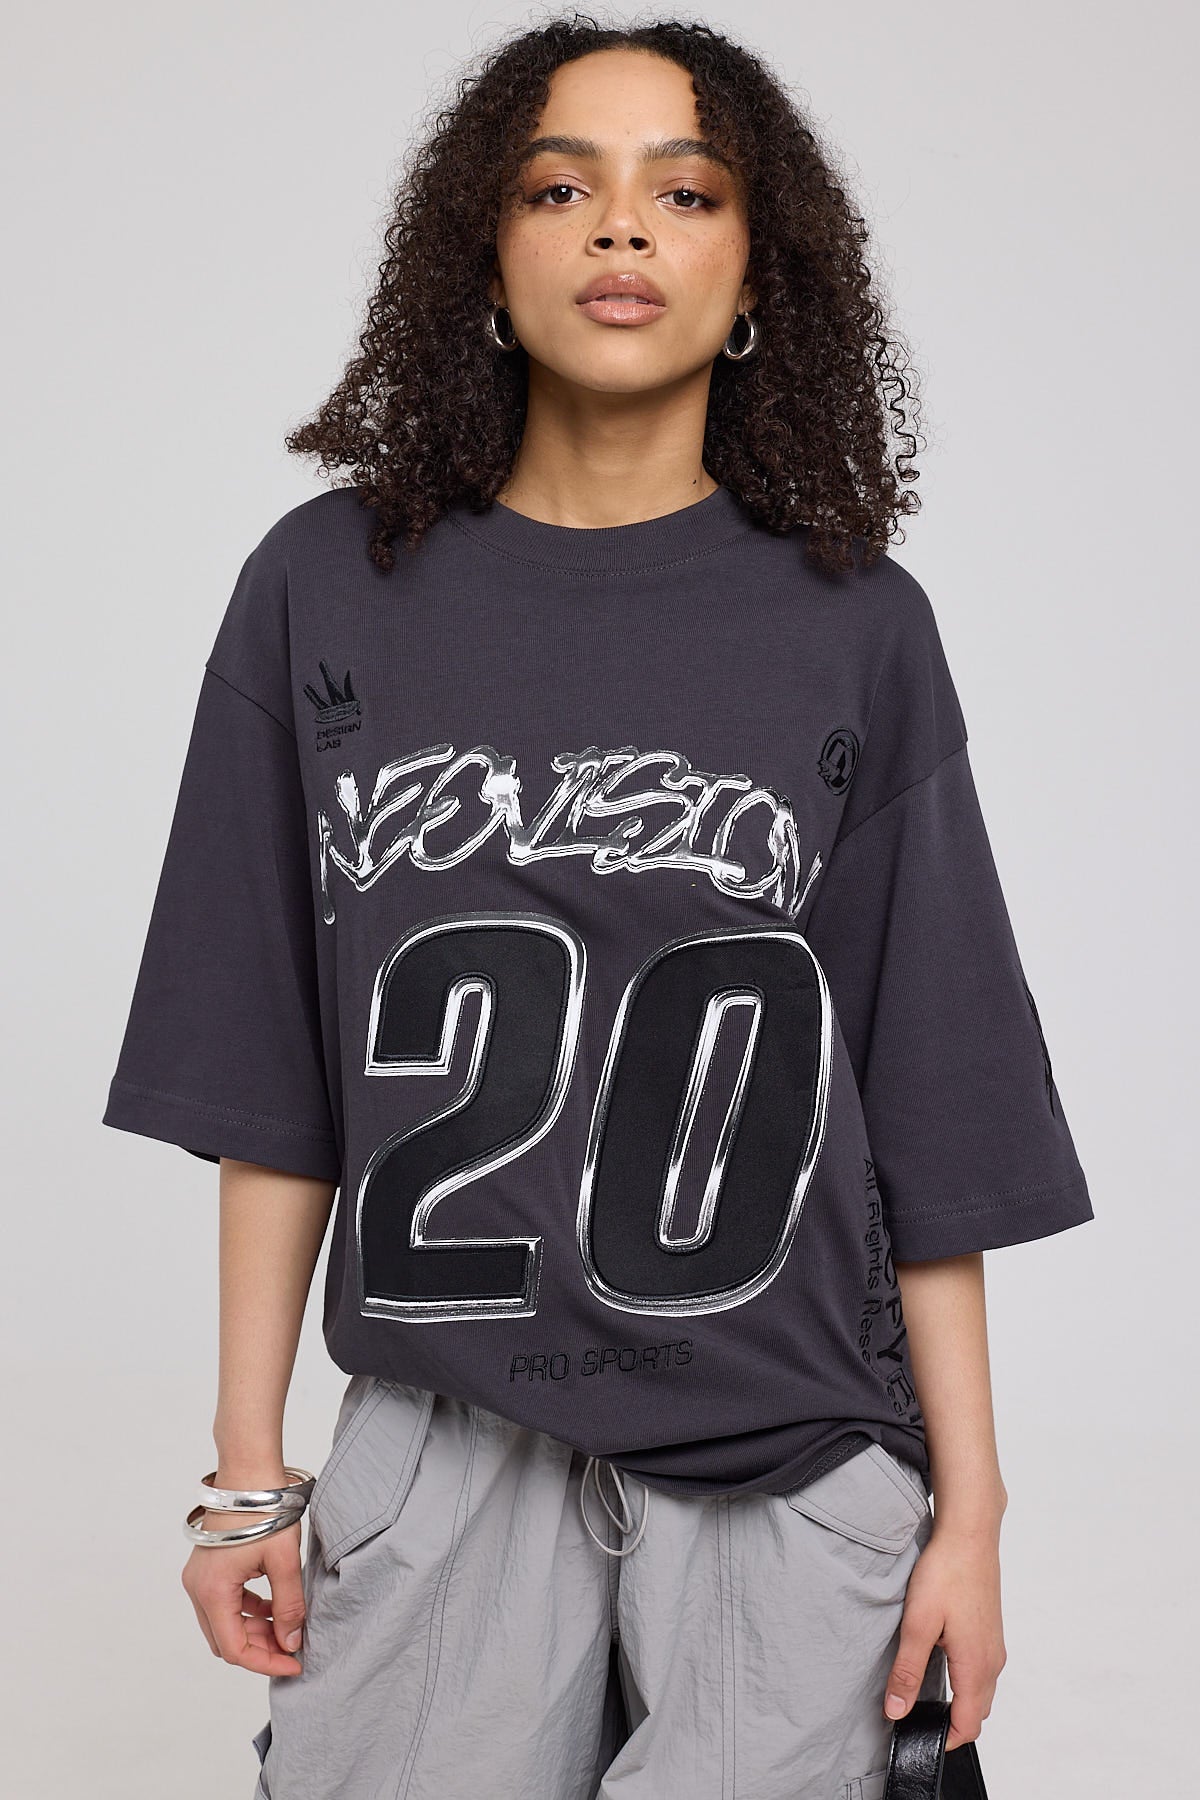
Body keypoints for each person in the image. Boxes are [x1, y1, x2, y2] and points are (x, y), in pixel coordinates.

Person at [101, 15, 1095, 1799]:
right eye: (559, 188)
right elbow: (268, 1075)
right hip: (444, 1444)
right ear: (481, 255)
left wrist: (975, 1512)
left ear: (758, 272)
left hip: (795, 1456)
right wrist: (248, 1474)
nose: (621, 228)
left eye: (684, 193)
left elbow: (930, 1108)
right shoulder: (327, 585)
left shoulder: (857, 623)